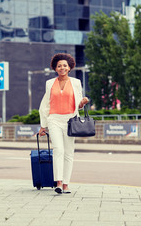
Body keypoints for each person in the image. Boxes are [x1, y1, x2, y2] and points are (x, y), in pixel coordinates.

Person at [38, 53, 89, 194]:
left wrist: (83, 103)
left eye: (64, 66)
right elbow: (45, 105)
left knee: (68, 153)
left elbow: (77, 105)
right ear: (55, 68)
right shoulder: (49, 84)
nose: (62, 68)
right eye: (59, 66)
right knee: (58, 150)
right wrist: (43, 125)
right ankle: (58, 182)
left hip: (70, 120)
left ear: (69, 67)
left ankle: (66, 184)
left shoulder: (76, 82)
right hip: (54, 119)